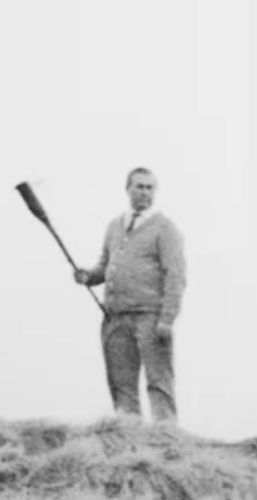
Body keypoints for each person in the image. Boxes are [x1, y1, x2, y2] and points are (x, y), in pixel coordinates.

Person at [75, 166, 187, 422]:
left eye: (150, 187)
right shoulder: (115, 226)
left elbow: (176, 276)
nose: (145, 192)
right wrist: (88, 277)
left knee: (159, 382)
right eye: (140, 186)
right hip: (115, 317)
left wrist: (167, 318)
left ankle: (165, 442)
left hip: (151, 318)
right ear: (128, 189)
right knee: (121, 384)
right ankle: (129, 440)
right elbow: (105, 266)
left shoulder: (165, 228)